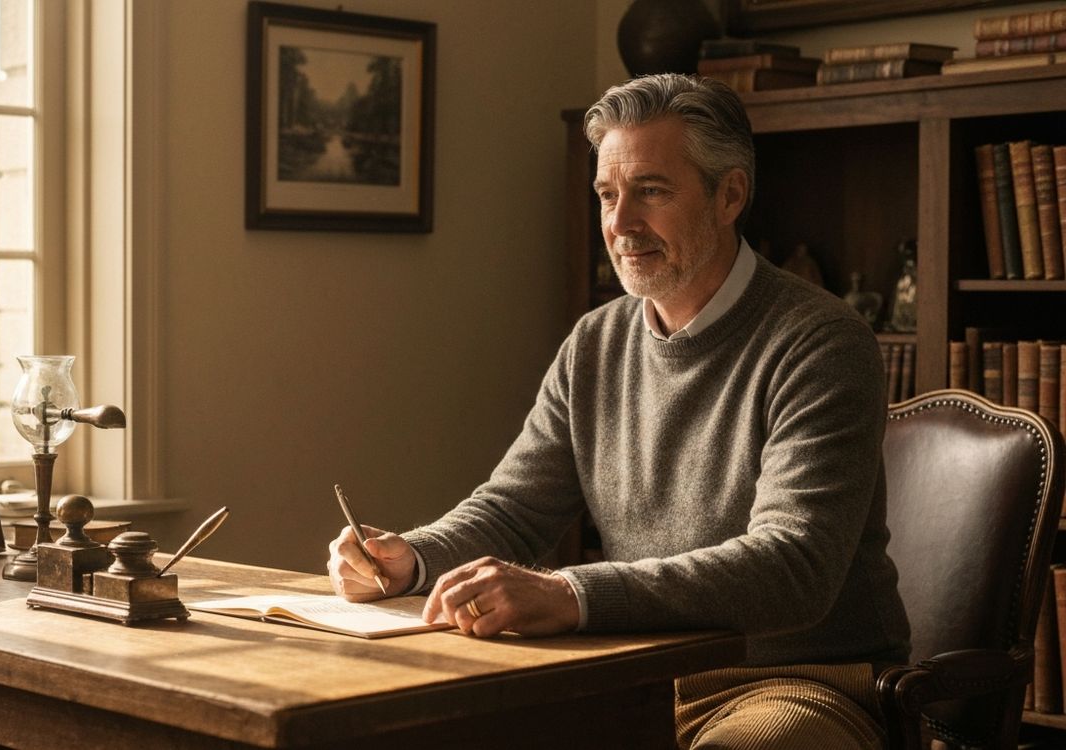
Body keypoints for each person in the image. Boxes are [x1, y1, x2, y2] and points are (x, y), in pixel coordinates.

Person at [326, 73, 908, 749]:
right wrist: (412, 557)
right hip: (628, 676)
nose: (621, 224)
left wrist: (573, 595)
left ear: (730, 195)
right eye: (607, 194)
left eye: (651, 191)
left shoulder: (821, 341)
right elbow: (514, 511)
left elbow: (793, 567)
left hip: (798, 684)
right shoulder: (597, 342)